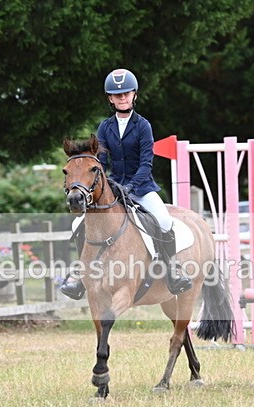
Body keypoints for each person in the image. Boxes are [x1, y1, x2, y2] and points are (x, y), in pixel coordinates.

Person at [60, 68, 193, 299]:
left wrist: (131, 187)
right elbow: (100, 163)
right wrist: (106, 185)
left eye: (126, 93)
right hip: (112, 189)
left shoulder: (143, 126)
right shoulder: (104, 127)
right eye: (117, 94)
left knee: (163, 220)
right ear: (110, 98)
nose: (122, 97)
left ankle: (173, 270)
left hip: (141, 188)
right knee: (77, 225)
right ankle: (82, 275)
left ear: (134, 95)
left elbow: (145, 163)